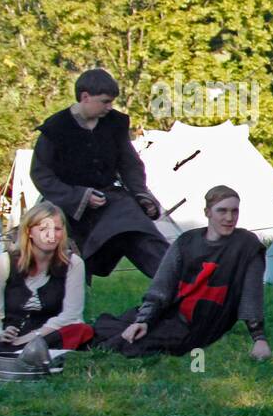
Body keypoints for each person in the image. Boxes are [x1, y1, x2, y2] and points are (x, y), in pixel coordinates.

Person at [92, 186, 271, 360]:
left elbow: (251, 293)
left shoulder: (246, 245)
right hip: (171, 311)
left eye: (235, 211)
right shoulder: (187, 242)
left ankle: (96, 353)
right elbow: (162, 286)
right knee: (110, 329)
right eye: (221, 211)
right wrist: (144, 320)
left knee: (132, 344)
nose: (229, 218)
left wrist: (259, 338)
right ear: (207, 212)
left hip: (199, 326)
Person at [31, 68, 169, 281]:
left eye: (111, 102)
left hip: (109, 200)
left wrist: (141, 194)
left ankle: (179, 285)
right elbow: (41, 175)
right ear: (85, 97)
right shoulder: (55, 128)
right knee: (58, 249)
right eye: (105, 101)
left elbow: (129, 164)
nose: (109, 107)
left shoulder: (115, 124)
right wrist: (79, 196)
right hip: (64, 205)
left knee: (137, 228)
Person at [0, 202, 95, 370]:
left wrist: (30, 338)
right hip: (10, 334)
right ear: (29, 232)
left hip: (50, 333)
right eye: (43, 229)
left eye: (57, 229)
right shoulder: (5, 262)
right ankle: (19, 353)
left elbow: (71, 315)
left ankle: (29, 353)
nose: (51, 235)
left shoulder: (73, 264)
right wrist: (1, 333)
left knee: (81, 329)